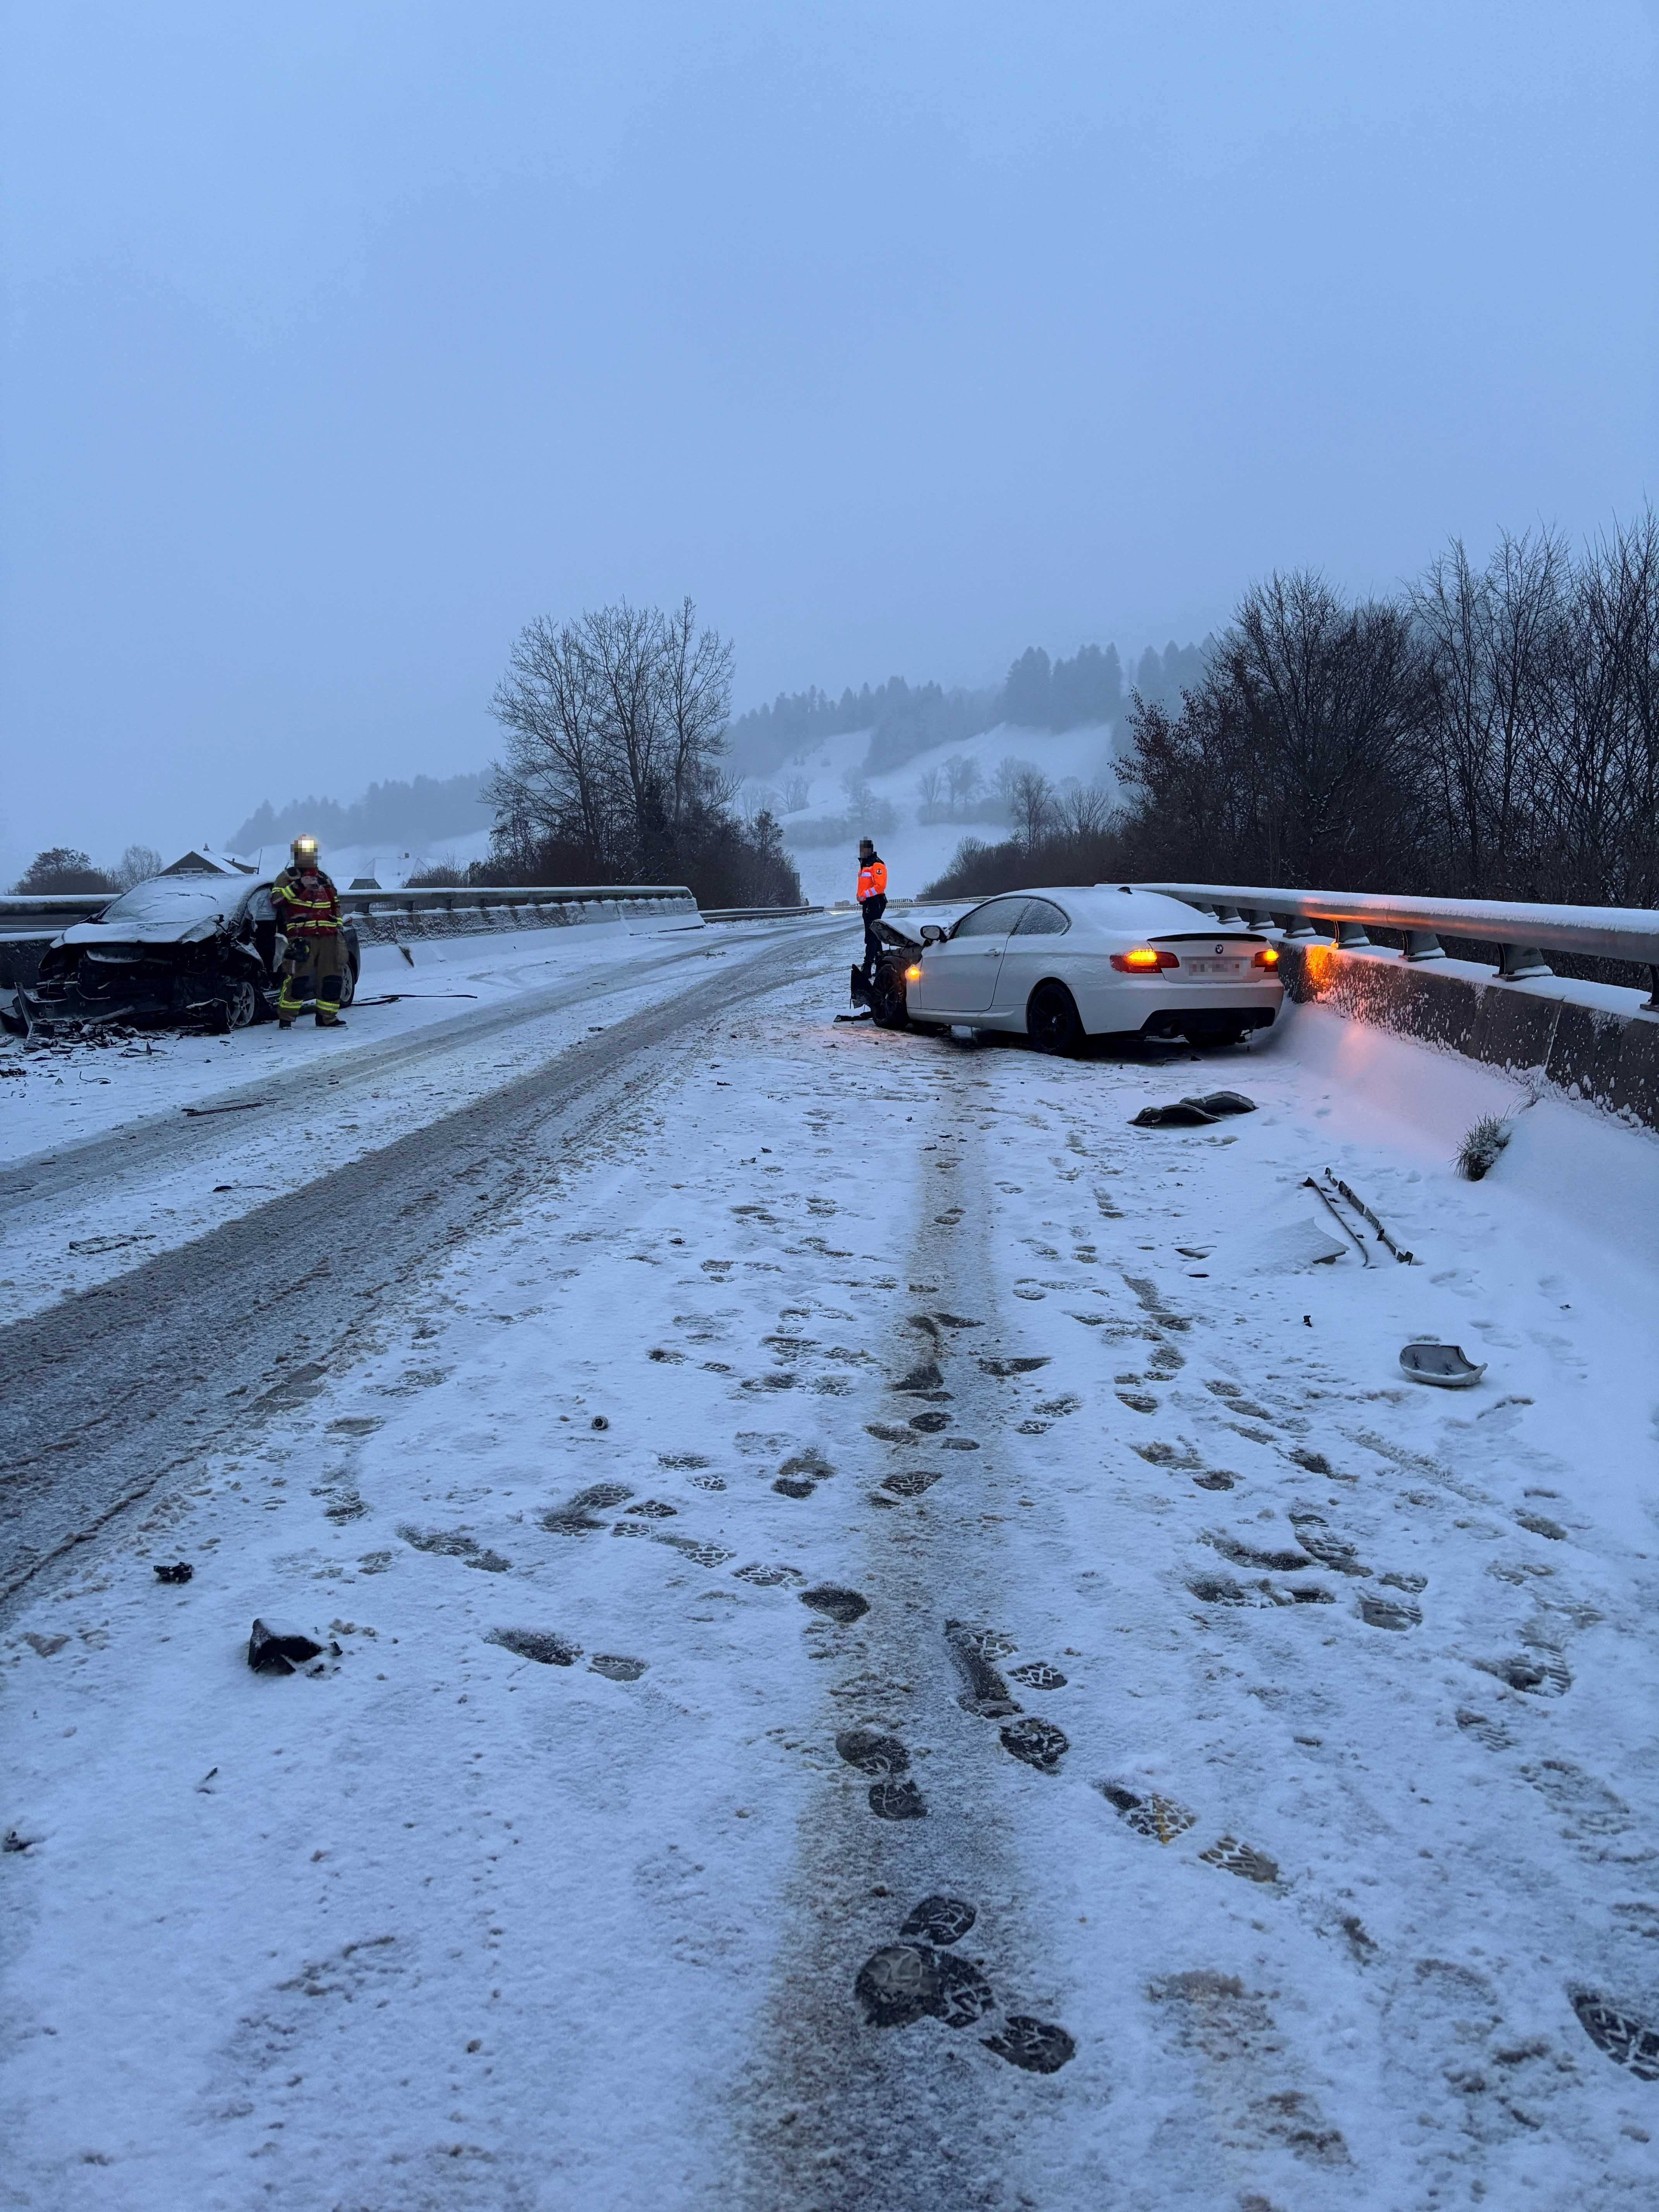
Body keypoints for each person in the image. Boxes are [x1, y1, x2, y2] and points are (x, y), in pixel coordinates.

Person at [270, 835, 346, 1029]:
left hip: (329, 937)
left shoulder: (324, 878)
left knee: (332, 978)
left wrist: (339, 929)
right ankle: (286, 1019)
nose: (309, 857)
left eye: (311, 853)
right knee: (298, 977)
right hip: (301, 938)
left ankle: (327, 1018)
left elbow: (336, 905)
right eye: (304, 854)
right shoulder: (287, 877)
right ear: (296, 856)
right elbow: (276, 900)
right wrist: (299, 886)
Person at [856, 836, 888, 982]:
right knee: (874, 934)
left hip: (875, 903)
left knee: (871, 935)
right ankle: (881, 964)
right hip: (868, 904)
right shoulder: (865, 865)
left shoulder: (877, 865)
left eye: (864, 849)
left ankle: (868, 966)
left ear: (870, 850)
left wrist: (865, 895)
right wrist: (861, 897)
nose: (862, 852)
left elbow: (880, 886)